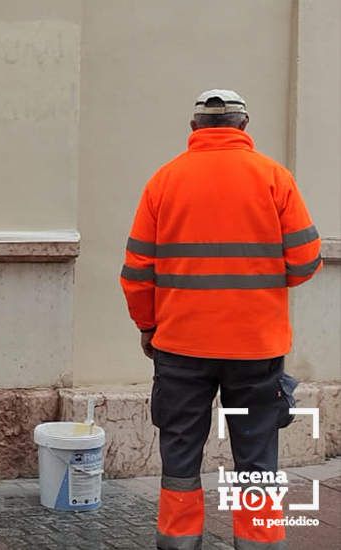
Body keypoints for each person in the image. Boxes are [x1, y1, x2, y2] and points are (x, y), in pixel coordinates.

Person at [120, 89, 322, 550]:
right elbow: (307, 260)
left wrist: (148, 327)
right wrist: (266, 285)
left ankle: (178, 541)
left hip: (180, 346)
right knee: (256, 455)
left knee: (180, 455)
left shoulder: (164, 181)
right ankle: (258, 543)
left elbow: (136, 272)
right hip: (257, 347)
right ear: (243, 128)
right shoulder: (275, 178)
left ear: (194, 129)